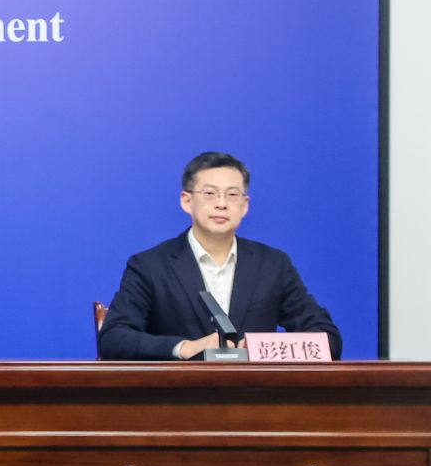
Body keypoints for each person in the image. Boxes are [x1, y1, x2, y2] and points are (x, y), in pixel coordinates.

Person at [99, 152, 342, 360]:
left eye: (232, 195)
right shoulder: (150, 265)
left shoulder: (273, 264)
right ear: (186, 201)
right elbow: (113, 338)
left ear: (245, 205)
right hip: (179, 395)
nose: (222, 204)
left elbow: (327, 338)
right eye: (210, 193)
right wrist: (185, 348)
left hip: (255, 395)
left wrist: (262, 349)